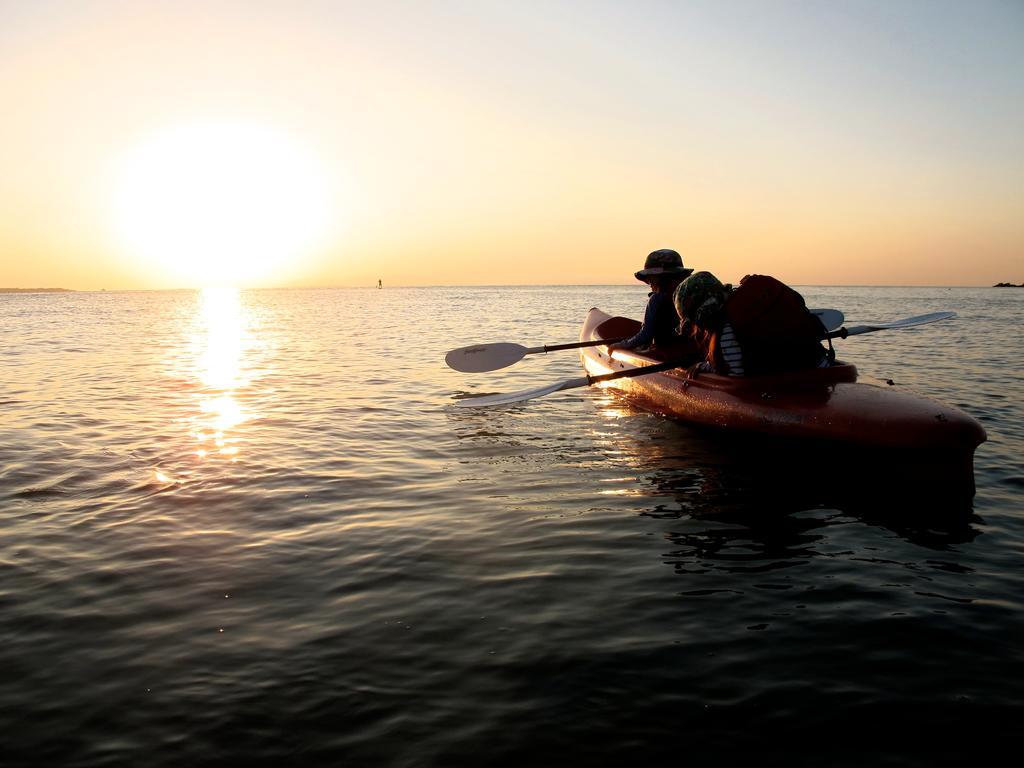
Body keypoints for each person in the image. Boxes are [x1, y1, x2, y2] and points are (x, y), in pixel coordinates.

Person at [673, 271, 830, 376]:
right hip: (821, 368)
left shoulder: (726, 331)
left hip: (785, 388)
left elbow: (736, 374)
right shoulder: (756, 302)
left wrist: (703, 367)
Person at [607, 249, 693, 354]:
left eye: (651, 279)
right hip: (689, 352)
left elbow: (646, 335)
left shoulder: (656, 299)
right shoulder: (691, 295)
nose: (649, 283)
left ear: (662, 279)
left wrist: (622, 345)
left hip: (664, 354)